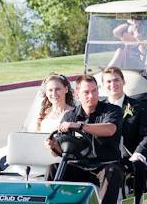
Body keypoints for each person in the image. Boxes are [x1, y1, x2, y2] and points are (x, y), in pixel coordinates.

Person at [0, 73, 74, 180]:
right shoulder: (44, 113)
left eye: (57, 89)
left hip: (56, 156)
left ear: (66, 89)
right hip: (35, 151)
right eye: (50, 90)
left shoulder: (72, 113)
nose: (54, 93)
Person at [45, 75, 124, 204]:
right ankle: (52, 202)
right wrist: (53, 146)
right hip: (80, 167)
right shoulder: (70, 116)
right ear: (77, 93)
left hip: (104, 166)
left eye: (94, 91)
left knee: (112, 171)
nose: (91, 96)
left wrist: (81, 126)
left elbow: (110, 129)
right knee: (53, 168)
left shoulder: (112, 110)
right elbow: (61, 150)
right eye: (86, 92)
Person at [102, 67, 147, 204]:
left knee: (138, 165)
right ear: (103, 85)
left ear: (123, 81)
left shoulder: (139, 107)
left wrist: (138, 154)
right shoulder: (100, 108)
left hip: (129, 156)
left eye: (116, 80)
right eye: (108, 81)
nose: (113, 84)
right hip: (105, 158)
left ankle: (137, 200)